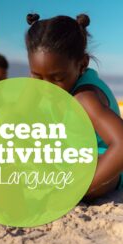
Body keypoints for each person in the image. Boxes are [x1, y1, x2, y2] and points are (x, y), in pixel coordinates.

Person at [25, 13, 123, 199]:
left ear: (82, 64)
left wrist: (79, 189)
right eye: (37, 76)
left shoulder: (86, 98)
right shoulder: (43, 86)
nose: (47, 88)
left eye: (57, 78)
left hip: (102, 166)